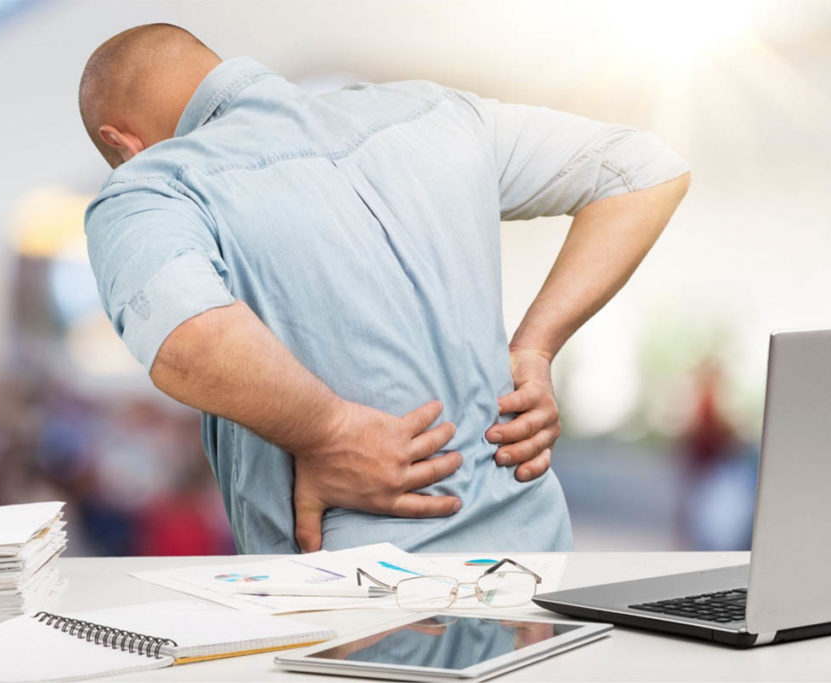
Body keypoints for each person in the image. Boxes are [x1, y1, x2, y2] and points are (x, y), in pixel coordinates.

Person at [78, 23, 691, 554]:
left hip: (357, 596)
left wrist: (329, 432)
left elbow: (185, 338)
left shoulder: (153, 185)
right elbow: (642, 169)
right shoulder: (431, 112)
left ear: (120, 142)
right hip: (536, 564)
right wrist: (536, 346)